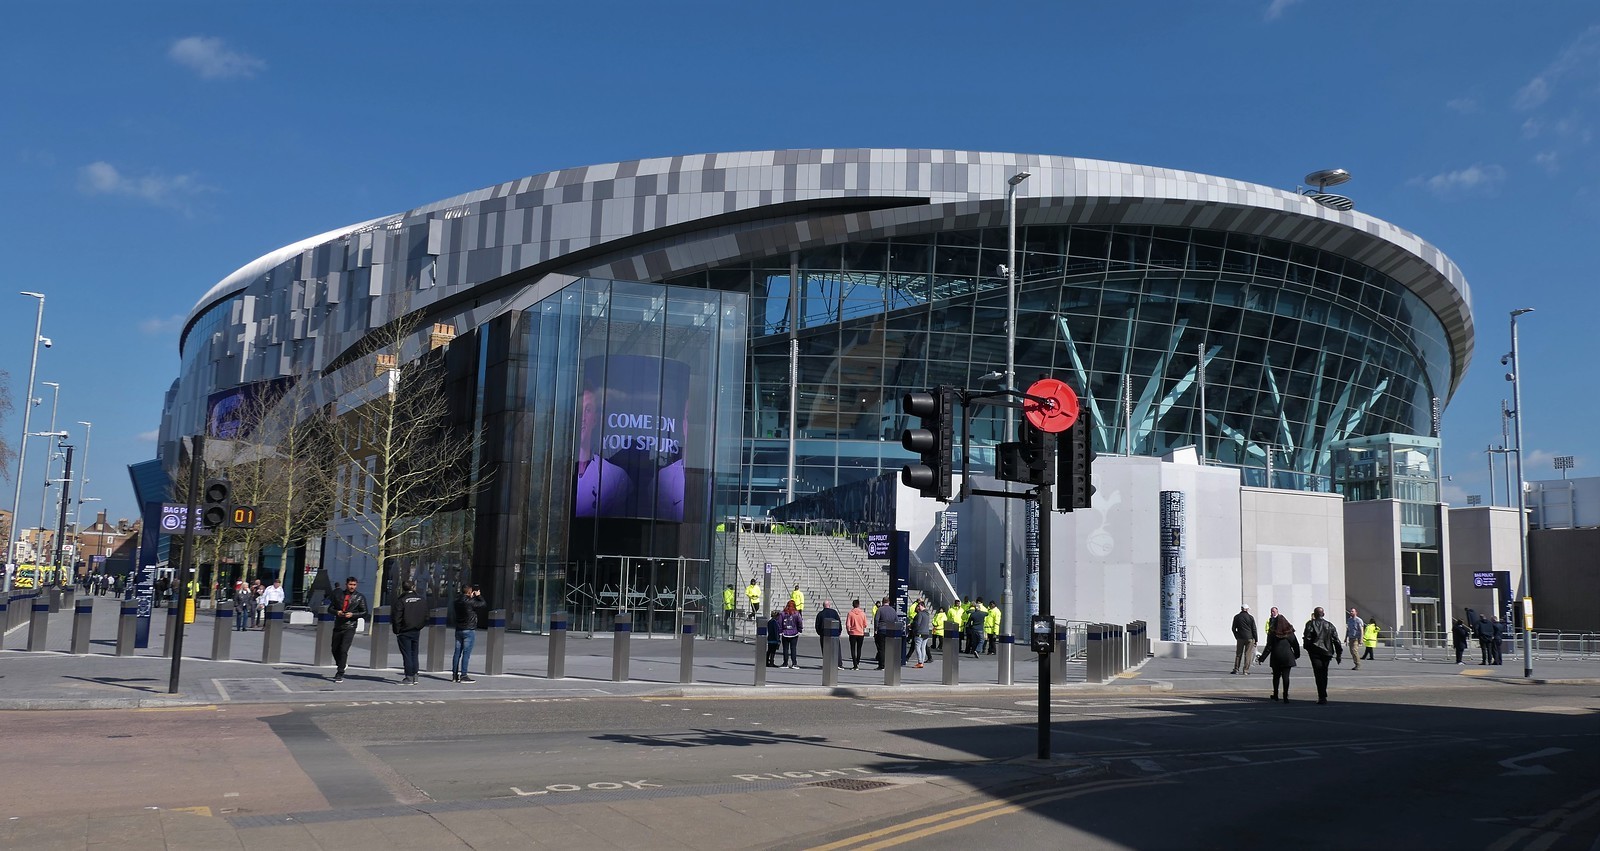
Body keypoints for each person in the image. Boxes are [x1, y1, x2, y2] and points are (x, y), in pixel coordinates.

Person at [574, 385, 632, 518]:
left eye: (588, 410)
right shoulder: (558, 470)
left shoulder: (615, 477)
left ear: (595, 419)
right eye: (579, 410)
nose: (582, 417)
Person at [328, 576, 368, 683]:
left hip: (350, 626)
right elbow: (330, 608)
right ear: (346, 584)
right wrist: (338, 612)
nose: (352, 587)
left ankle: (340, 672)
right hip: (338, 625)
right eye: (350, 584)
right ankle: (341, 664)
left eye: (354, 585)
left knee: (343, 649)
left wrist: (353, 614)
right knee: (334, 648)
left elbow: (364, 612)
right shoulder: (339, 595)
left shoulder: (360, 597)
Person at [1302, 606, 1343, 704]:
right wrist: (1339, 653)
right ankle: (1323, 695)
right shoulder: (1329, 625)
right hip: (1327, 652)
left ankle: (1322, 696)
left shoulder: (1310, 624)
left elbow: (1307, 638)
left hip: (1315, 652)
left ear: (1314, 615)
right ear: (1323, 614)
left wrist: (1308, 649)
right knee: (1324, 673)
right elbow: (1336, 640)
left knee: (1318, 674)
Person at [392, 580, 428, 685]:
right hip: (416, 630)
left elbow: (397, 618)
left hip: (404, 630)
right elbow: (426, 616)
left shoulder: (401, 600)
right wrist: (420, 626)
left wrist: (397, 631)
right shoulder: (421, 599)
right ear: (413, 587)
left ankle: (409, 677)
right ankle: (415, 675)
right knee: (414, 653)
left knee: (407, 654)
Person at [1258, 614, 1300, 701]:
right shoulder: (1289, 632)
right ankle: (1285, 695)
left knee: (1276, 676)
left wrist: (1262, 658)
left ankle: (1276, 694)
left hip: (1276, 656)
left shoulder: (1272, 632)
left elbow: (1268, 647)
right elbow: (1295, 644)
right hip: (1287, 657)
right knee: (1286, 677)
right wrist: (1296, 655)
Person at [452, 584, 486, 683]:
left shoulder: (456, 601)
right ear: (469, 591)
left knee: (457, 653)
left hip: (459, 629)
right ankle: (464, 675)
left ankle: (454, 675)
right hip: (469, 629)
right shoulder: (470, 601)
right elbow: (483, 604)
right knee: (466, 653)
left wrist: (471, 596)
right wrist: (478, 596)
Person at [1230, 604, 1257, 675]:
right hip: (1249, 638)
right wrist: (1256, 639)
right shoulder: (1250, 617)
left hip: (1240, 638)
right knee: (1248, 654)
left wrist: (1237, 636)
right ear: (1247, 609)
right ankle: (1246, 670)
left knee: (1238, 654)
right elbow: (1254, 629)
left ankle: (1236, 669)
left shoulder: (1237, 617)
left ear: (1241, 609)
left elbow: (1233, 628)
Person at [815, 600, 843, 668]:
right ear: (829, 605)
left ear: (823, 606)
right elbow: (839, 622)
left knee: (825, 650)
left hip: (824, 634)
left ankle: (827, 664)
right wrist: (839, 632)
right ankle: (838, 664)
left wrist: (820, 633)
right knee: (836, 650)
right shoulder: (834, 612)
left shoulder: (820, 614)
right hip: (834, 634)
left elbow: (817, 625)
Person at [873, 597, 899, 670]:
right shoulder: (893, 610)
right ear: (889, 602)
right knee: (889, 648)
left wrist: (876, 629)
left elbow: (876, 620)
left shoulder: (880, 609)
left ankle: (882, 665)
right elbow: (896, 620)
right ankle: (889, 664)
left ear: (882, 602)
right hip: (890, 630)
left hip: (881, 630)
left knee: (881, 648)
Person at [778, 600, 802, 669]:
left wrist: (780, 631)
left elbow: (779, 623)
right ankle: (794, 663)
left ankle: (785, 663)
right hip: (794, 633)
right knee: (793, 648)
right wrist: (799, 629)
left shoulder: (783, 613)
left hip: (785, 633)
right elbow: (800, 622)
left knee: (785, 649)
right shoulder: (796, 613)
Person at [845, 599, 868, 669]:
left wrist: (848, 631)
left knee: (852, 649)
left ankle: (855, 664)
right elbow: (865, 624)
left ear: (853, 605)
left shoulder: (850, 613)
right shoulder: (863, 613)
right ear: (858, 605)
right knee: (859, 648)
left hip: (853, 633)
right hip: (860, 633)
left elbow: (848, 624)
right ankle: (857, 662)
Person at [911, 600, 931, 668]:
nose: (918, 608)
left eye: (919, 606)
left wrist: (911, 626)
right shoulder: (927, 614)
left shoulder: (920, 614)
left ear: (922, 606)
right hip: (926, 633)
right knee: (923, 648)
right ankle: (922, 661)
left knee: (917, 647)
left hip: (920, 633)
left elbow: (918, 623)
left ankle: (920, 662)